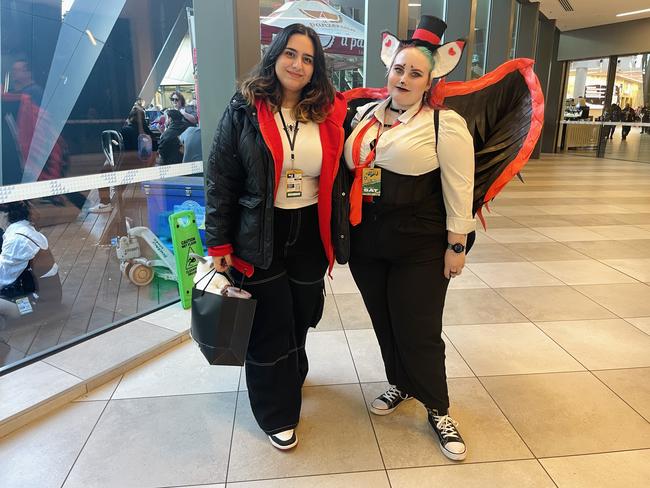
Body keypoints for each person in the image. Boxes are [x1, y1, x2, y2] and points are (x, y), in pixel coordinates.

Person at [205, 23, 348, 451]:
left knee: (300, 315)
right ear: (275, 57)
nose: (298, 64)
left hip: (308, 230)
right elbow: (220, 179)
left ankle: (290, 375)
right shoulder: (244, 108)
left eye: (308, 58)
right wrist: (219, 243)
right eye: (291, 54)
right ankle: (276, 412)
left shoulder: (325, 113)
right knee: (269, 324)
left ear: (316, 67)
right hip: (258, 231)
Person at [344, 16, 474, 461]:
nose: (404, 78)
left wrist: (456, 246)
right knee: (385, 321)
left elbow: (461, 188)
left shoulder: (445, 123)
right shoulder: (364, 115)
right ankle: (400, 382)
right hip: (368, 241)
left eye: (415, 72)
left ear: (430, 79)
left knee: (419, 327)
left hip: (419, 241)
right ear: (389, 68)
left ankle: (438, 407)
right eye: (400, 69)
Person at [0, 202, 61, 324]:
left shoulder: (16, 240)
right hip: (48, 299)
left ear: (3, 215)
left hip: (39, 305)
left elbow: (3, 279)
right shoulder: (25, 230)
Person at [90, 105, 157, 212]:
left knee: (104, 171)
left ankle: (105, 203)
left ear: (129, 117)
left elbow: (119, 151)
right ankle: (118, 195)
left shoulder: (125, 130)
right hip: (144, 166)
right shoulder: (149, 133)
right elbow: (154, 153)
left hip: (129, 166)